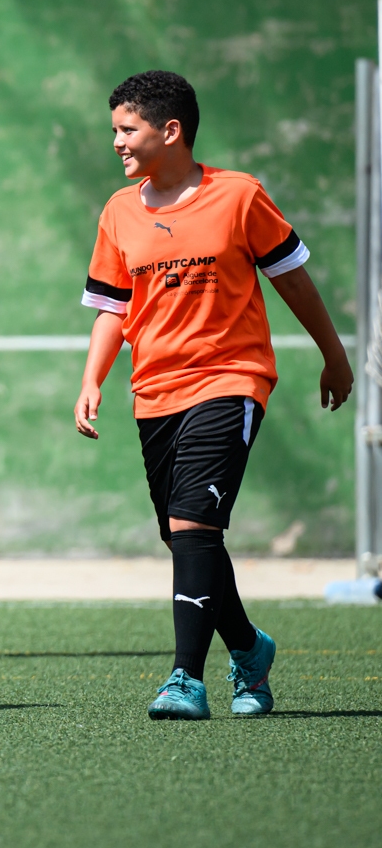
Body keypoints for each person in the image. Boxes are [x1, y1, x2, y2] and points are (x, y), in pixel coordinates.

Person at [74, 70, 352, 719]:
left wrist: (334, 355)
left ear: (171, 130)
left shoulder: (239, 196)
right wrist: (92, 379)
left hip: (232, 379)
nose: (116, 141)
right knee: (184, 537)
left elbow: (293, 279)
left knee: (194, 525)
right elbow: (114, 307)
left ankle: (185, 679)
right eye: (114, 129)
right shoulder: (118, 211)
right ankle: (250, 649)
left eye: (127, 129)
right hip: (155, 392)